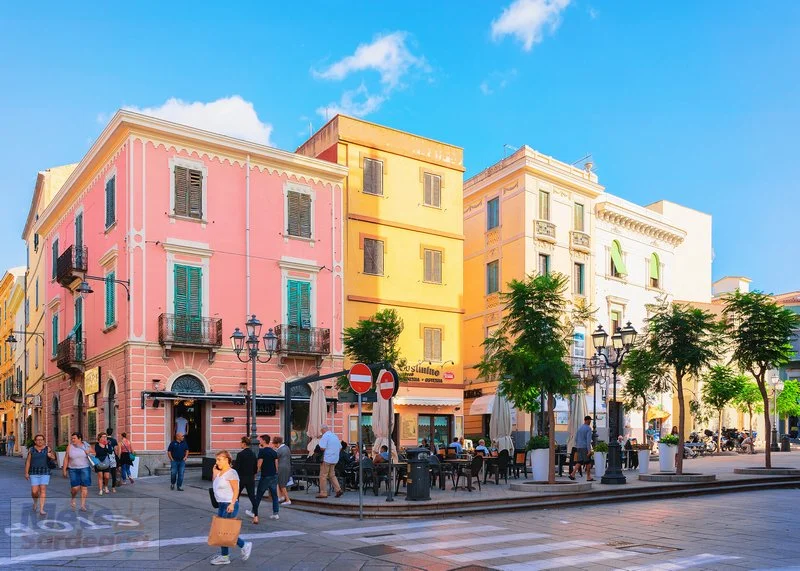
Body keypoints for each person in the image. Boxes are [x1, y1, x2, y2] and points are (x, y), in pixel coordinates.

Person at [209, 450, 252, 565]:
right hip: (221, 504)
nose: (217, 462)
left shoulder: (232, 473)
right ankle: (225, 555)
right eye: (216, 459)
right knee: (223, 531)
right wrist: (214, 472)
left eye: (220, 459)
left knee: (225, 531)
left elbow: (236, 490)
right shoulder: (220, 472)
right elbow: (215, 485)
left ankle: (243, 546)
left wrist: (232, 504)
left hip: (229, 504)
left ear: (227, 460)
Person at [24, 434, 56, 516]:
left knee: (43, 489)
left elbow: (54, 458)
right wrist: (26, 472)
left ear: (43, 440)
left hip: (45, 472)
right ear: (35, 441)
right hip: (34, 472)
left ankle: (41, 509)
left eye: (41, 439)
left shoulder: (47, 448)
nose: (40, 441)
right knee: (34, 492)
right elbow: (28, 462)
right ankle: (35, 502)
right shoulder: (31, 450)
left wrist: (50, 455)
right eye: (38, 440)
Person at [250, 434, 279, 524]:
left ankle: (253, 512)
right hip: (273, 475)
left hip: (265, 476)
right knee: (274, 495)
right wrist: (276, 473)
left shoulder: (262, 452)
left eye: (260, 440)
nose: (259, 441)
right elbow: (276, 464)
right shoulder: (274, 452)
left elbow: (259, 464)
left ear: (264, 441)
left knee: (259, 495)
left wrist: (255, 473)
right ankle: (276, 513)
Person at [63, 432, 92, 511]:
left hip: (85, 468)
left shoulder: (86, 446)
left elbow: (94, 454)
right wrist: (64, 470)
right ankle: (73, 497)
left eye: (74, 438)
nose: (72, 440)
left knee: (84, 487)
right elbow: (66, 458)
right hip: (73, 469)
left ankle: (83, 505)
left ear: (79, 439)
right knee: (75, 488)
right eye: (72, 438)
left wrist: (89, 452)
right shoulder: (70, 447)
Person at [316, 424, 343, 499]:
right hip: (335, 459)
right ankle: (338, 490)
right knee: (332, 475)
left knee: (323, 476)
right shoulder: (335, 436)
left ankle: (323, 493)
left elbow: (322, 448)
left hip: (327, 458)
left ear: (323, 430)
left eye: (321, 431)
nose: (321, 432)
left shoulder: (325, 436)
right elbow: (340, 448)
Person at [234, 437, 257, 514]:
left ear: (244, 444)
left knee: (236, 496)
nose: (240, 444)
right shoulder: (253, 454)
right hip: (250, 478)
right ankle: (255, 515)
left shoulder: (240, 454)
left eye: (241, 443)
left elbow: (236, 468)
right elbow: (255, 467)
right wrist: (253, 474)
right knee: (252, 496)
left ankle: (235, 513)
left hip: (241, 478)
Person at [569, 416, 594, 482]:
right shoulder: (588, 429)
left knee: (579, 461)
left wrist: (578, 446)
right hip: (584, 447)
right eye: (589, 420)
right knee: (588, 463)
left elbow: (576, 439)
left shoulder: (579, 428)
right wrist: (589, 450)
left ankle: (572, 474)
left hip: (579, 447)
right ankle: (588, 477)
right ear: (586, 420)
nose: (590, 422)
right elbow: (588, 441)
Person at [273, 435, 292, 505]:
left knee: (282, 484)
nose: (275, 446)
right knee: (279, 482)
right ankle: (281, 497)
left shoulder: (280, 450)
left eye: (275, 444)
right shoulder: (286, 448)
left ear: (278, 443)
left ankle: (287, 499)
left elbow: (275, 457)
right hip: (287, 466)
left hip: (282, 467)